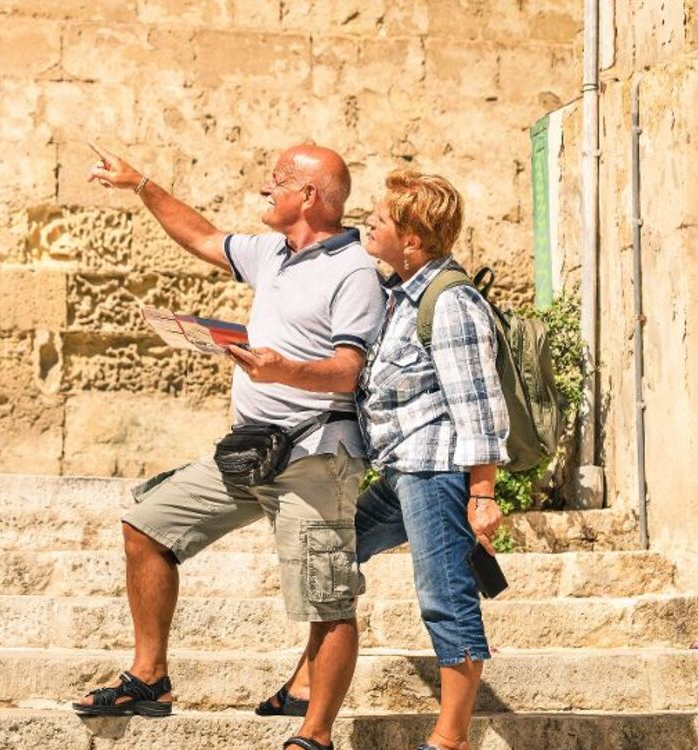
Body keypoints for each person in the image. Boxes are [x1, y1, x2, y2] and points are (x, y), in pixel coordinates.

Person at [71, 142, 385, 750]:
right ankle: (148, 678)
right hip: (250, 450)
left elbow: (349, 370)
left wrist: (279, 369)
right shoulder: (274, 253)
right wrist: (141, 185)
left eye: (277, 182)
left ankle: (314, 733)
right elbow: (204, 237)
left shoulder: (354, 273)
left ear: (309, 196)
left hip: (315, 455)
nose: (266, 190)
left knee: (327, 597)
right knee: (147, 525)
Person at [261, 170, 507, 750]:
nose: (368, 221)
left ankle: (451, 739)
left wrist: (482, 493)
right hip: (399, 472)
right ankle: (306, 681)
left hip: (435, 472)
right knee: (337, 554)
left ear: (414, 240)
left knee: (445, 599)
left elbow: (478, 404)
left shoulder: (450, 304)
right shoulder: (402, 294)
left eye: (381, 217)